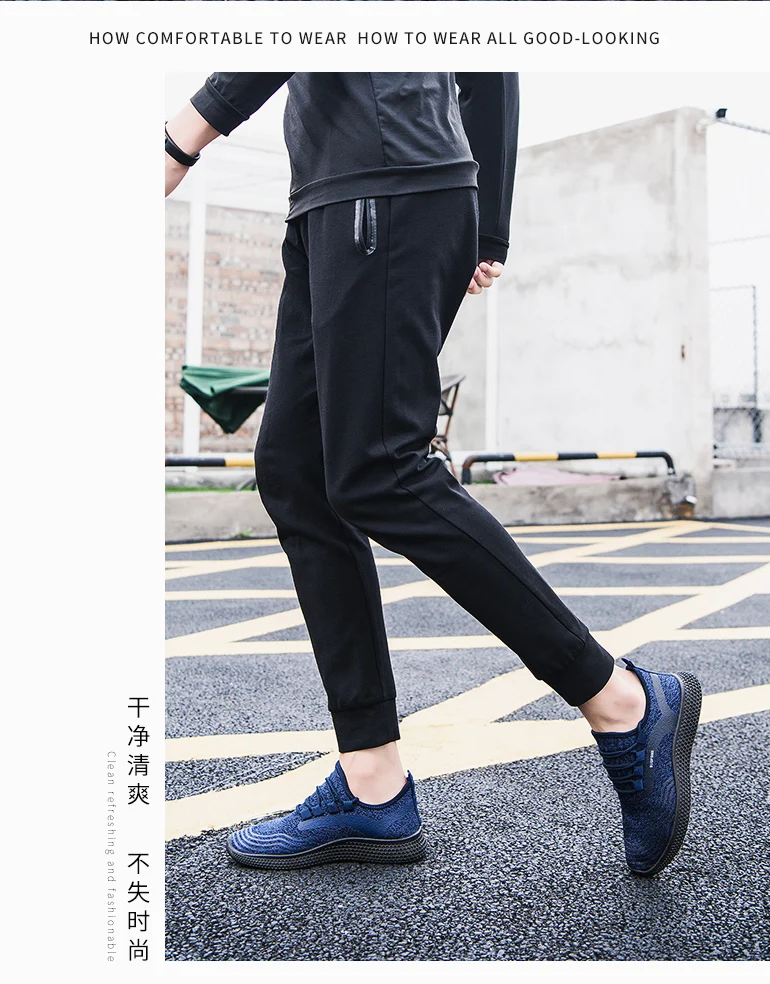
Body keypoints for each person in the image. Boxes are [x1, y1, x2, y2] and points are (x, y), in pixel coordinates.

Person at [165, 72, 701, 877]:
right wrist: (488, 221)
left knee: (380, 468)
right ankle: (372, 784)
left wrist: (180, 139)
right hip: (333, 199)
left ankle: (622, 699)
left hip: (387, 181)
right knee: (297, 474)